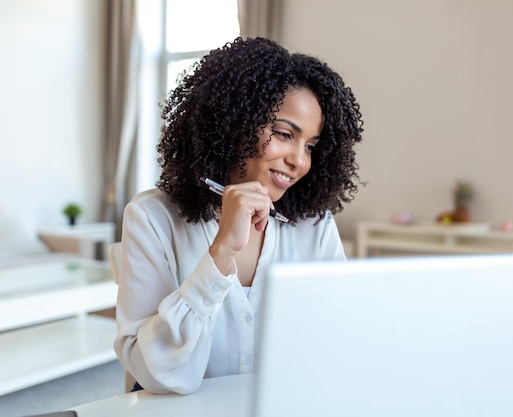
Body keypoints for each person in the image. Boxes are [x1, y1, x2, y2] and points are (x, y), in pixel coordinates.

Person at [113, 37, 364, 395]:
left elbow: (339, 343)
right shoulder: (152, 217)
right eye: (283, 134)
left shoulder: (314, 226)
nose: (299, 160)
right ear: (234, 123)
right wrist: (221, 253)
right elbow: (153, 374)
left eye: (310, 145)